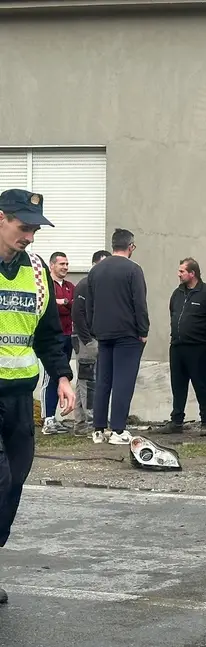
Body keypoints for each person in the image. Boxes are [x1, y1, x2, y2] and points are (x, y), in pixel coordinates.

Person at [0, 189, 75, 605]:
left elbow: (47, 333)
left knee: (15, 482)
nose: (29, 236)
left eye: (34, 229)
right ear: (1, 218)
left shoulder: (36, 268)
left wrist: (62, 376)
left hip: (18, 396)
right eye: (23, 226)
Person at [84, 228, 149, 445]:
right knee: (123, 381)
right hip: (127, 333)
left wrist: (95, 329)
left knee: (103, 380)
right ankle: (118, 430)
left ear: (113, 246)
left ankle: (98, 429)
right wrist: (143, 331)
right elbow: (139, 303)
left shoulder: (96, 270)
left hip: (103, 333)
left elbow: (89, 304)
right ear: (130, 247)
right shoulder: (134, 270)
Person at [156, 258, 206, 436]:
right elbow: (173, 312)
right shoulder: (177, 293)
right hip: (177, 347)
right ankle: (176, 421)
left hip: (199, 348)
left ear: (192, 273)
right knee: (178, 386)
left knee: (202, 385)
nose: (178, 274)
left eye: (182, 271)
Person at [71, 249, 110, 435]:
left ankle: (80, 424)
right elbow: (77, 314)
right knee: (88, 381)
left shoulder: (99, 285)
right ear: (95, 264)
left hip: (94, 338)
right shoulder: (85, 285)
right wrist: (88, 341)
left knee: (82, 382)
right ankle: (93, 423)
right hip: (85, 339)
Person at [40, 251, 75, 435]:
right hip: (52, 339)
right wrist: (61, 302)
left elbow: (73, 305)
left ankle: (55, 419)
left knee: (62, 377)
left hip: (68, 336)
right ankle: (48, 419)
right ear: (51, 265)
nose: (65, 267)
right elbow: (49, 305)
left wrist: (65, 303)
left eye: (67, 264)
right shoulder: (47, 285)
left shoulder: (70, 286)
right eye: (62, 264)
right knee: (50, 378)